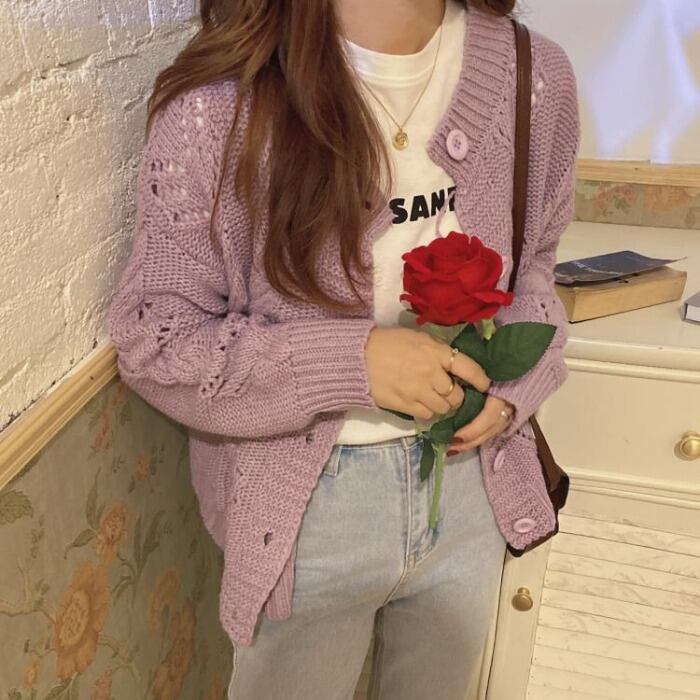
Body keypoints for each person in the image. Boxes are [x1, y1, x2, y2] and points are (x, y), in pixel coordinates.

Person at [106, 0, 580, 697]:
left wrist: (511, 391)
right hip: (308, 512)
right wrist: (350, 363)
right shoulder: (223, 104)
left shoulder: (533, 75)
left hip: (472, 487)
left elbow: (534, 267)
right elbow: (158, 337)